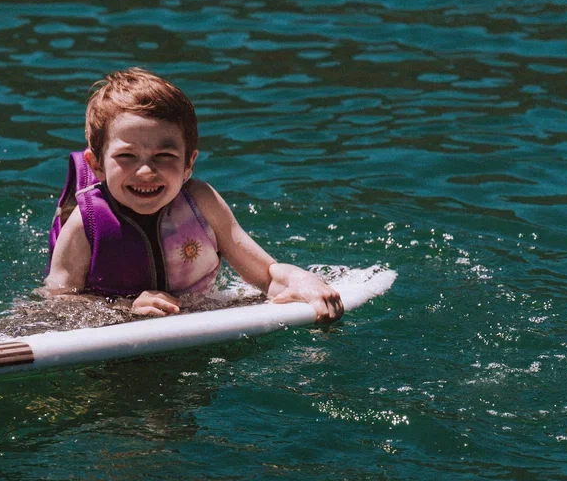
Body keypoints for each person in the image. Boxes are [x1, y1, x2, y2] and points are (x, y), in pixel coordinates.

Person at [44, 68, 344, 322]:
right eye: (127, 156)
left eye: (164, 155)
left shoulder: (201, 203)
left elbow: (266, 274)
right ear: (96, 165)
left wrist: (299, 280)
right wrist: (126, 309)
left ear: (189, 164)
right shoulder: (87, 224)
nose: (146, 171)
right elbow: (58, 304)